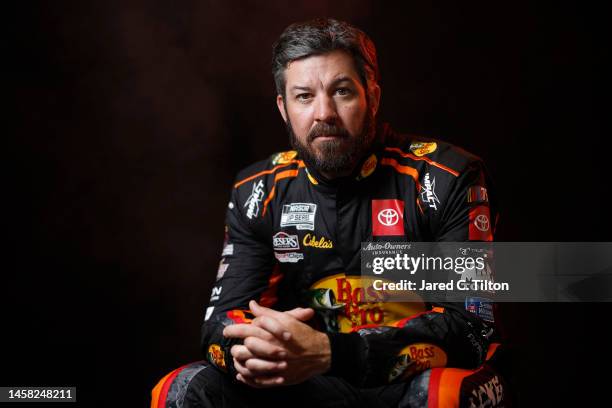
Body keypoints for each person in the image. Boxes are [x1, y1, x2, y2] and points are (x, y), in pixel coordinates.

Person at [152, 18, 510, 408]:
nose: (324, 113)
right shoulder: (258, 190)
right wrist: (260, 347)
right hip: (311, 381)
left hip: (416, 380)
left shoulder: (447, 178)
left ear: (372, 96)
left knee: (443, 395)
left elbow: (472, 329)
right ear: (283, 108)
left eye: (341, 91)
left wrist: (330, 351)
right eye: (304, 96)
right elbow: (219, 323)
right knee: (184, 387)